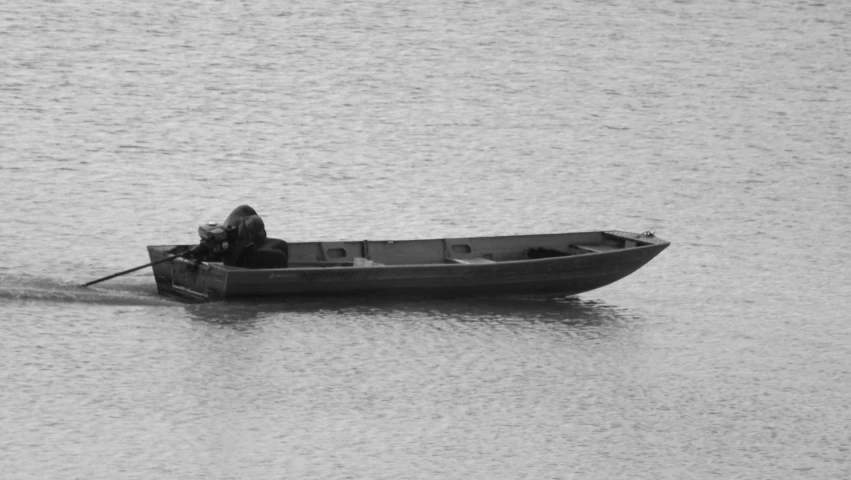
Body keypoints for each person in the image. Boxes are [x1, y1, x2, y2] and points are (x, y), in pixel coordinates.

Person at [222, 205, 289, 268]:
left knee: (283, 244)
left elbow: (260, 241)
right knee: (280, 256)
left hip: (249, 247)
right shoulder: (233, 230)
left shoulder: (247, 212)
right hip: (240, 258)